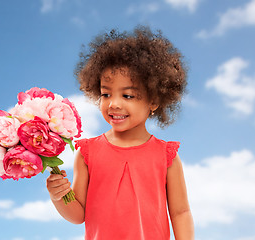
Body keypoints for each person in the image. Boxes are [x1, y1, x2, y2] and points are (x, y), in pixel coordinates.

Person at [46, 25, 194, 240]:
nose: (113, 104)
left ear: (153, 100)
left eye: (128, 96)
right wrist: (59, 196)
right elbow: (79, 215)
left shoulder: (166, 156)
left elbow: (181, 212)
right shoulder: (87, 153)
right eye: (106, 94)